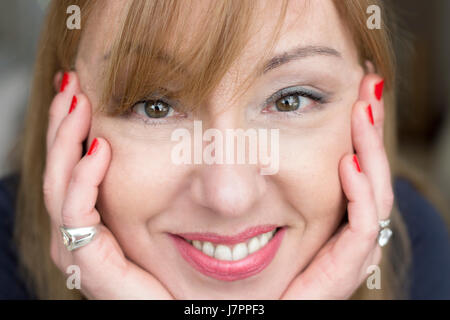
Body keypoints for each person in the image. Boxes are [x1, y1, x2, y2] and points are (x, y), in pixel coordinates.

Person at [1, 0, 449, 299]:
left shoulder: (422, 253)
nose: (228, 197)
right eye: (154, 106)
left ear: (366, 107)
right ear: (69, 119)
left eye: (290, 99)